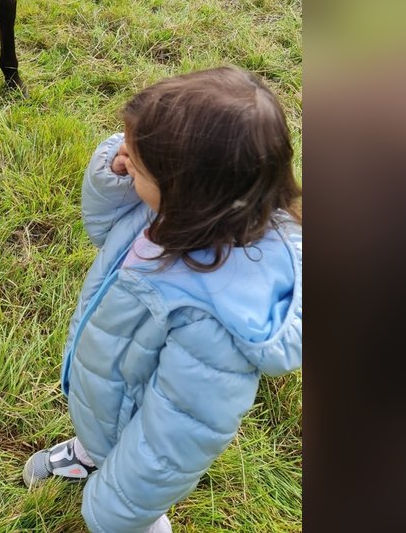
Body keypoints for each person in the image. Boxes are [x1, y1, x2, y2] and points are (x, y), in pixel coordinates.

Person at [23, 67, 303, 533]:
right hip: (111, 396)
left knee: (131, 507)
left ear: (187, 191)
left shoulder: (211, 321)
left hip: (139, 448)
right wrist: (117, 175)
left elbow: (172, 441)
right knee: (105, 427)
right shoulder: (172, 215)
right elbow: (102, 228)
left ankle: (125, 499)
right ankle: (93, 450)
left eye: (139, 163)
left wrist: (117, 508)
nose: (125, 157)